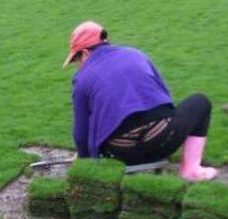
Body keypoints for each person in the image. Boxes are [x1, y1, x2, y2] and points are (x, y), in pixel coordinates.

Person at [64, 21, 217, 181]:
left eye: (77, 59)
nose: (78, 65)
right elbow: (164, 98)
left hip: (117, 155)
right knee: (201, 102)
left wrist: (83, 160)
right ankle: (191, 170)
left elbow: (81, 133)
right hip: (162, 141)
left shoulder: (82, 79)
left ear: (85, 53)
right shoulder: (135, 54)